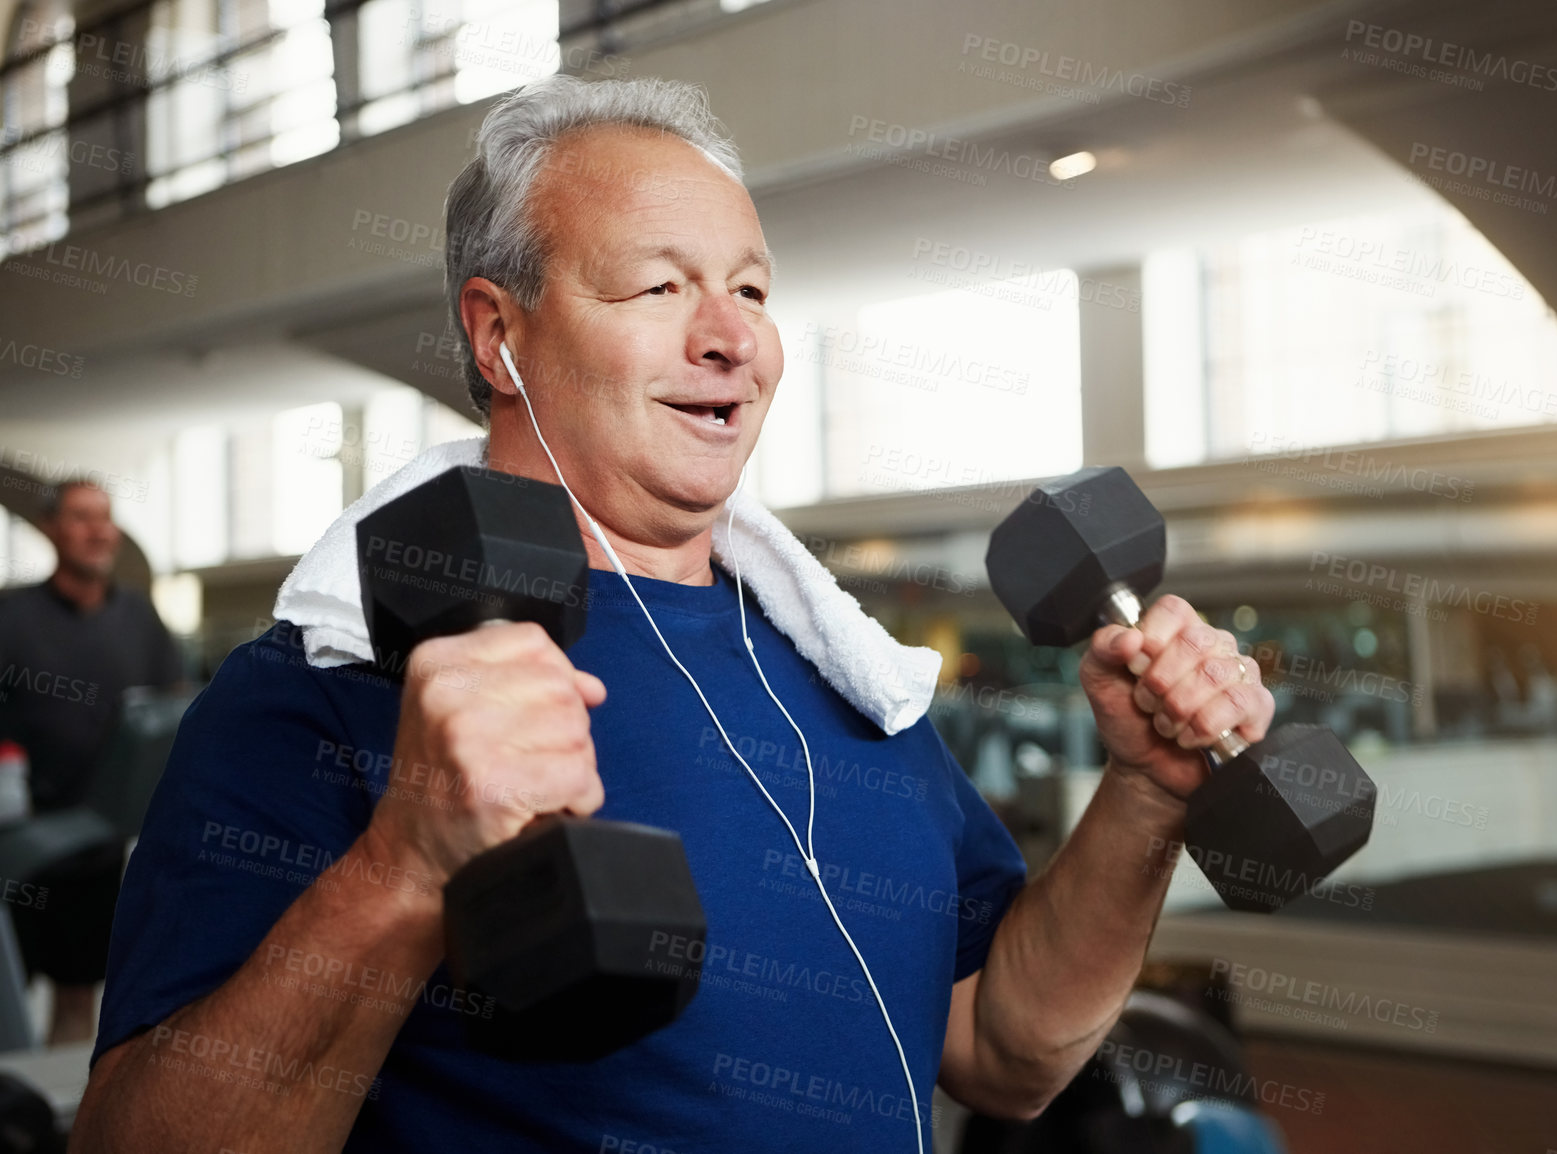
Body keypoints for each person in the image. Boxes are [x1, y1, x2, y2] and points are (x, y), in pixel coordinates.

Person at [70, 76, 1274, 1153]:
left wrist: (1145, 795)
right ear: (499, 335)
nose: (731, 335)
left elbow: (1007, 1047)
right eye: (660, 284)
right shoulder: (331, 681)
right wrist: (404, 866)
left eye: (751, 287)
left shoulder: (847, 675)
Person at [0, 479, 181, 1044]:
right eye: (81, 517)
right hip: (20, 841)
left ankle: (55, 1121)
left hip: (100, 847)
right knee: (10, 991)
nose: (98, 530)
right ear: (52, 528)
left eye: (105, 517)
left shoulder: (139, 615)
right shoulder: (13, 617)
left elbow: (174, 706)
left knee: (79, 992)